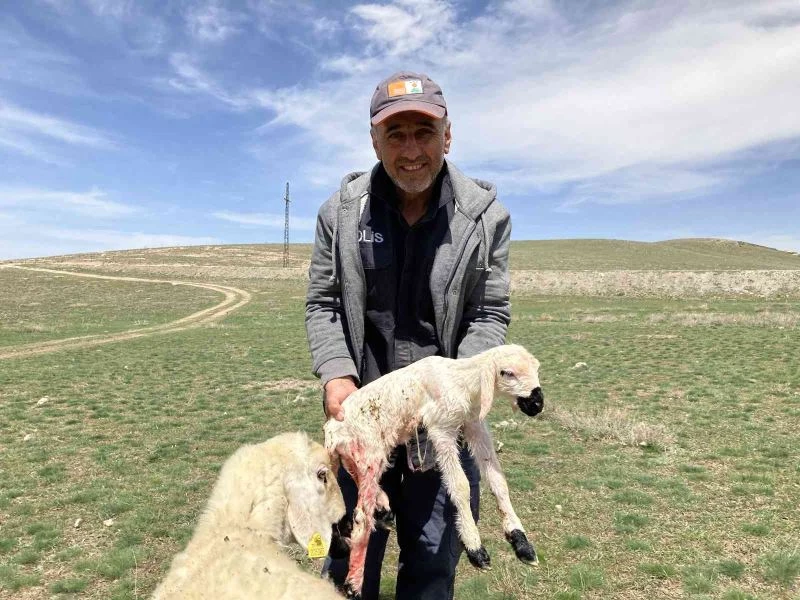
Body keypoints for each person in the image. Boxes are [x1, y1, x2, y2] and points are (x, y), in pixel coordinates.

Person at [305, 71, 511, 600]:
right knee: (349, 556)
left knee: (431, 563)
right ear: (374, 141)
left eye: (424, 131)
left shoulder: (486, 220)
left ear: (448, 135)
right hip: (362, 415)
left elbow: (488, 312)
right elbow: (324, 302)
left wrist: (459, 388)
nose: (411, 149)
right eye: (395, 134)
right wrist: (335, 377)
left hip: (437, 423)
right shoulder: (341, 213)